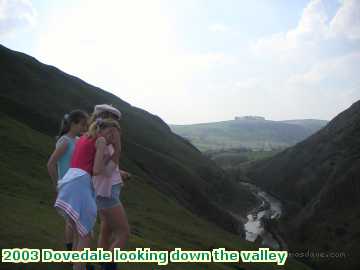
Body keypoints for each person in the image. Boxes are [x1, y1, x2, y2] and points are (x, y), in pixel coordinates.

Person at [54, 118, 121, 270]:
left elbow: (91, 162)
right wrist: (116, 150)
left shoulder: (85, 137)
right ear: (105, 131)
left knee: (79, 233)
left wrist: (111, 156)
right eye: (112, 134)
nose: (112, 138)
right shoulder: (101, 140)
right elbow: (97, 170)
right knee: (85, 236)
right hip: (80, 183)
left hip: (69, 181)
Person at [90, 104, 131, 270]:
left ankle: (102, 262)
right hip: (106, 193)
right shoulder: (105, 143)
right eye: (113, 119)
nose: (115, 125)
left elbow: (105, 165)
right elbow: (105, 171)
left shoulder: (96, 139)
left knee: (106, 230)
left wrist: (119, 171)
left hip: (102, 190)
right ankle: (107, 268)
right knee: (123, 233)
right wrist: (118, 148)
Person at [47, 110, 89, 252]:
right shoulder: (65, 141)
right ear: (73, 123)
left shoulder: (77, 140)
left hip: (77, 185)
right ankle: (76, 258)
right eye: (83, 124)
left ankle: (73, 255)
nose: (85, 128)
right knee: (76, 224)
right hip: (68, 185)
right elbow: (51, 164)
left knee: (74, 222)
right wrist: (57, 185)